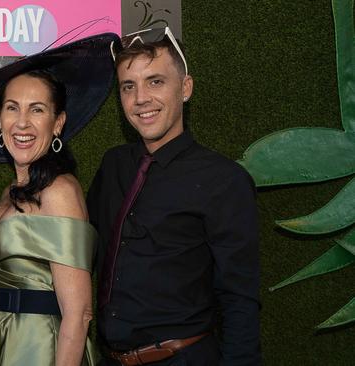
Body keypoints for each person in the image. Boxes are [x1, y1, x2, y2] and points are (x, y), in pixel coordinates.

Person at [0, 33, 120, 366]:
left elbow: (78, 313)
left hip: (42, 347)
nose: (22, 122)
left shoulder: (59, 191)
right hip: (2, 340)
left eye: (37, 110)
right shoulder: (10, 191)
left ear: (57, 123)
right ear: (0, 120)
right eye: (12, 108)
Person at [87, 27, 261, 366]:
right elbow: (80, 246)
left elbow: (239, 299)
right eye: (128, 86)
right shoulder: (114, 165)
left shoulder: (224, 180)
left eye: (155, 82)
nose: (140, 99)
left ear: (185, 88)